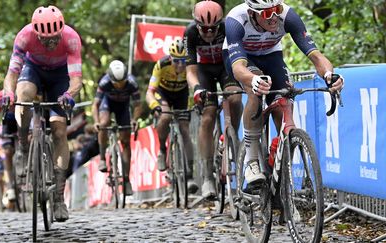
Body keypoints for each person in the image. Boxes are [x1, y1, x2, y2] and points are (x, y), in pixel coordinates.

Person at [224, 0, 344, 189]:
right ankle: (252, 161)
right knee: (255, 92)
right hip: (243, 58)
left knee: (285, 98)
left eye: (276, 10)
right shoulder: (236, 20)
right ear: (252, 13)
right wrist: (253, 80)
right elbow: (238, 68)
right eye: (266, 13)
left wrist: (329, 75)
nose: (273, 17)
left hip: (272, 55)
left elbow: (316, 56)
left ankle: (279, 167)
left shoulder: (288, 16)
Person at [2, 5, 82, 221]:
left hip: (59, 75)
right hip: (33, 69)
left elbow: (76, 78)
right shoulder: (24, 36)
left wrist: (69, 94)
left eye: (55, 38)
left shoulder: (72, 38)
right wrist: (9, 92)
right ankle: (23, 142)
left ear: (61, 31)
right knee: (23, 93)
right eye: (46, 39)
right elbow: (12, 72)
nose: (51, 43)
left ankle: (58, 197)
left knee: (58, 131)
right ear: (36, 33)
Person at [184, 0, 244, 199]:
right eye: (204, 28)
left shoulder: (228, 27)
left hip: (225, 66)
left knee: (235, 99)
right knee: (208, 116)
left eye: (213, 28)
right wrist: (197, 88)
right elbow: (190, 71)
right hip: (204, 72)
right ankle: (208, 175)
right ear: (196, 24)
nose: (209, 33)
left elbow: (239, 57)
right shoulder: (190, 33)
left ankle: (230, 136)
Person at [146, 39, 198, 194]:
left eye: (183, 61)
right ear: (170, 58)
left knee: (185, 130)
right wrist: (154, 105)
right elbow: (150, 92)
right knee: (166, 116)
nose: (180, 65)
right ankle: (162, 149)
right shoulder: (161, 65)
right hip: (163, 93)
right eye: (176, 61)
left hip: (181, 95)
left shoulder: (189, 65)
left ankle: (190, 175)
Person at [92, 60, 142, 196]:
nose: (120, 85)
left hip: (123, 107)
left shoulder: (132, 83)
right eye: (116, 83)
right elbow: (95, 105)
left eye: (122, 82)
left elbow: (138, 105)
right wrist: (96, 122)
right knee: (104, 123)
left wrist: (134, 120)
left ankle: (126, 179)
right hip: (107, 104)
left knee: (126, 142)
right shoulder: (104, 82)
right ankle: (102, 158)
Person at [0, 90, 17, 205]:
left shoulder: (27, 88)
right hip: (8, 124)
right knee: (7, 152)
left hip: (24, 118)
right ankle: (11, 186)